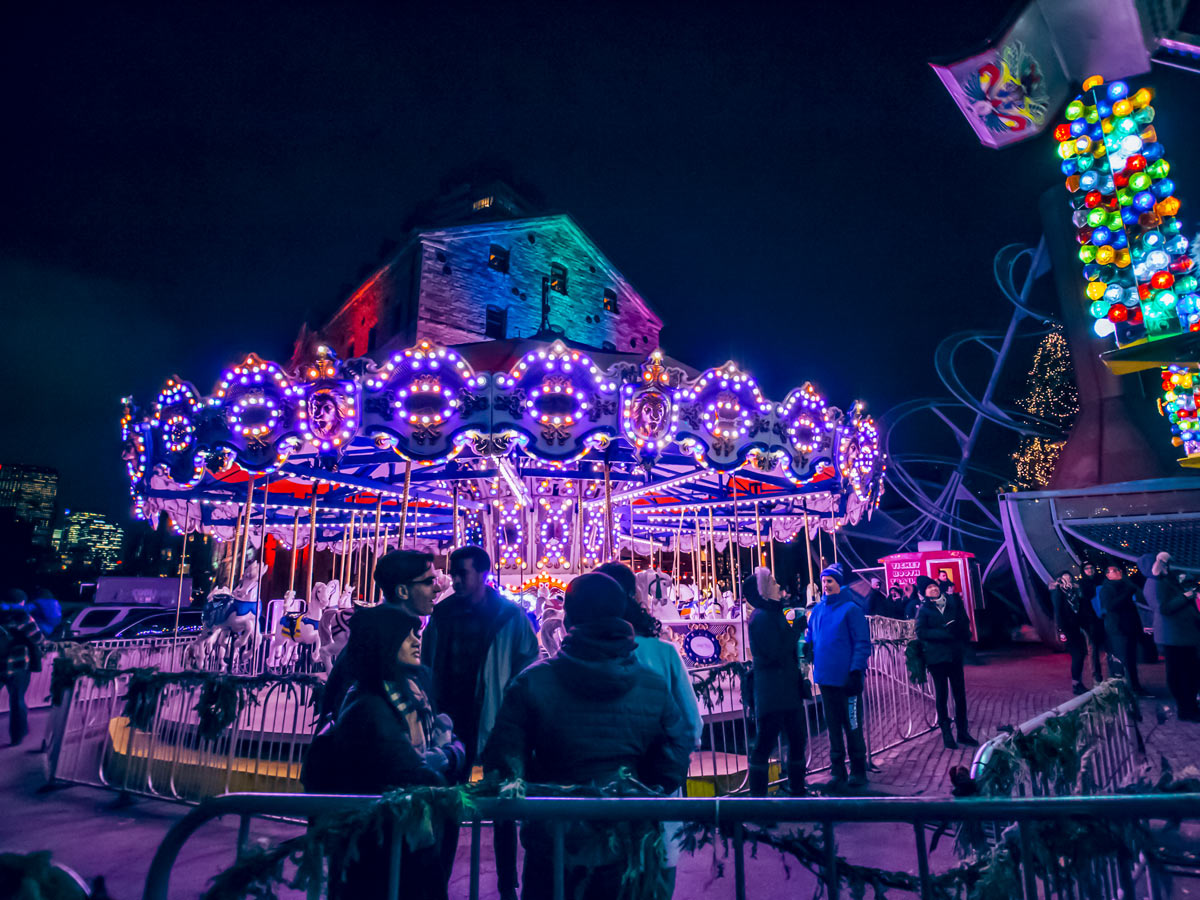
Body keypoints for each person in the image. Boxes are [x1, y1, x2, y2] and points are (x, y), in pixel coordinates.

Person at [482, 572, 692, 900]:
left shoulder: (533, 682)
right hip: (629, 837)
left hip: (555, 839)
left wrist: (541, 785)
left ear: (569, 617)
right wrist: (636, 786)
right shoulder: (652, 685)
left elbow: (504, 763)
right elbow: (673, 759)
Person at [303, 606, 466, 898]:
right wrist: (449, 755)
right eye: (407, 636)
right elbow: (415, 773)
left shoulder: (407, 691)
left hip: (403, 835)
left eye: (417, 633)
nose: (417, 640)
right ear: (385, 641)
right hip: (382, 840)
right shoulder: (370, 707)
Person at [423, 546, 539, 900]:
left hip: (496, 717)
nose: (455, 580)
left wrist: (517, 709)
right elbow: (429, 663)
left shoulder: (510, 616)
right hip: (450, 719)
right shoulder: (442, 613)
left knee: (503, 799)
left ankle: (507, 885)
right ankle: (437, 880)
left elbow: (528, 663)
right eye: (453, 573)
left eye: (463, 573)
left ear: (484, 574)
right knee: (446, 801)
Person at [596, 562, 702, 897]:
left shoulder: (583, 656)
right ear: (635, 595)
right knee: (660, 866)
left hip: (602, 787)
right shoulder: (663, 653)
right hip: (657, 780)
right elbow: (691, 725)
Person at [319, 549, 442, 727]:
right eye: (429, 581)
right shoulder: (375, 647)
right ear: (402, 591)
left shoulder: (406, 637)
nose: (437, 588)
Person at [804, 563, 871, 789]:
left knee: (852, 724)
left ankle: (858, 769)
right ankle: (838, 769)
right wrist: (808, 646)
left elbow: (862, 643)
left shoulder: (851, 610)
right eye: (823, 581)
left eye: (829, 581)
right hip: (826, 679)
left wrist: (856, 670)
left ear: (838, 583)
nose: (825, 585)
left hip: (847, 680)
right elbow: (811, 635)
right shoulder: (818, 611)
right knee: (833, 726)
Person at [743, 566, 808, 796]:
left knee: (797, 739)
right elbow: (773, 652)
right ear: (763, 590)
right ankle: (759, 800)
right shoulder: (761, 618)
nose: (778, 584)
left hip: (785, 689)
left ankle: (797, 788)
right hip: (772, 691)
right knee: (764, 744)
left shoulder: (772, 613)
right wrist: (795, 632)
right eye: (772, 581)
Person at [914, 576, 977, 749]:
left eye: (934, 586)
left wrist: (962, 635)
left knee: (960, 695)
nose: (933, 589)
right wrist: (945, 632)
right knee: (941, 696)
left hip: (954, 656)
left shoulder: (952, 603)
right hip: (936, 659)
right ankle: (946, 733)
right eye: (929, 588)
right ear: (924, 593)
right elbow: (921, 632)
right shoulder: (923, 610)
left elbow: (964, 622)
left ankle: (963, 732)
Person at [1140, 552, 1200, 721]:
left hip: (1182, 636)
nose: (1166, 567)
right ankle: (1186, 709)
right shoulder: (1153, 583)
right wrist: (1185, 597)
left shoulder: (1164, 581)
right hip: (1174, 637)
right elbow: (1163, 608)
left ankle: (1190, 706)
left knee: (1189, 673)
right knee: (1182, 674)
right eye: (1163, 564)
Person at [1097, 563, 1150, 697]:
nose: (1118, 572)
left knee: (1131, 659)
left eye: (1118, 570)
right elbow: (1110, 607)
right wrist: (1127, 593)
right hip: (1118, 629)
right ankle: (1126, 688)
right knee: (1123, 659)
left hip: (1129, 627)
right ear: (1107, 575)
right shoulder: (1107, 589)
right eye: (1114, 571)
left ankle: (1133, 686)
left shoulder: (1126, 586)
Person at [0, 594, 44, 746]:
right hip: (17, 665)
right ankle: (17, 737)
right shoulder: (22, 617)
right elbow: (38, 639)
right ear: (21, 602)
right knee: (17, 701)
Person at [1051, 571, 1099, 695]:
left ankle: (1078, 683)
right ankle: (1076, 684)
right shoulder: (1058, 592)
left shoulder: (1075, 592)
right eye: (1065, 578)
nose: (1068, 580)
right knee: (1077, 654)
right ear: (1060, 580)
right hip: (1067, 629)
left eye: (1069, 578)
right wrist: (1061, 631)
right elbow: (1058, 612)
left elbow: (1081, 608)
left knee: (1080, 654)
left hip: (1077, 627)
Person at [1077, 562, 1107, 683]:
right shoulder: (1081, 584)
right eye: (1087, 568)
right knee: (1093, 648)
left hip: (1102, 618)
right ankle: (1096, 677)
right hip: (1089, 620)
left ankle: (1112, 675)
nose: (1089, 570)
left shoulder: (1101, 581)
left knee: (1107, 646)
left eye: (1091, 567)